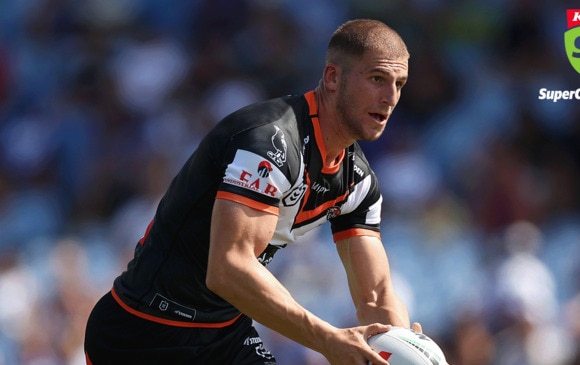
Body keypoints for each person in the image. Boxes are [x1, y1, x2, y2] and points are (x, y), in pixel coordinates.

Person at [84, 18, 419, 365]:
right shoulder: (270, 142)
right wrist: (327, 339)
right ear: (333, 77)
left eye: (399, 84)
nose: (390, 97)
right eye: (378, 79)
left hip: (224, 334)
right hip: (142, 333)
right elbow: (228, 268)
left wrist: (405, 346)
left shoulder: (357, 181)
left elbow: (377, 295)